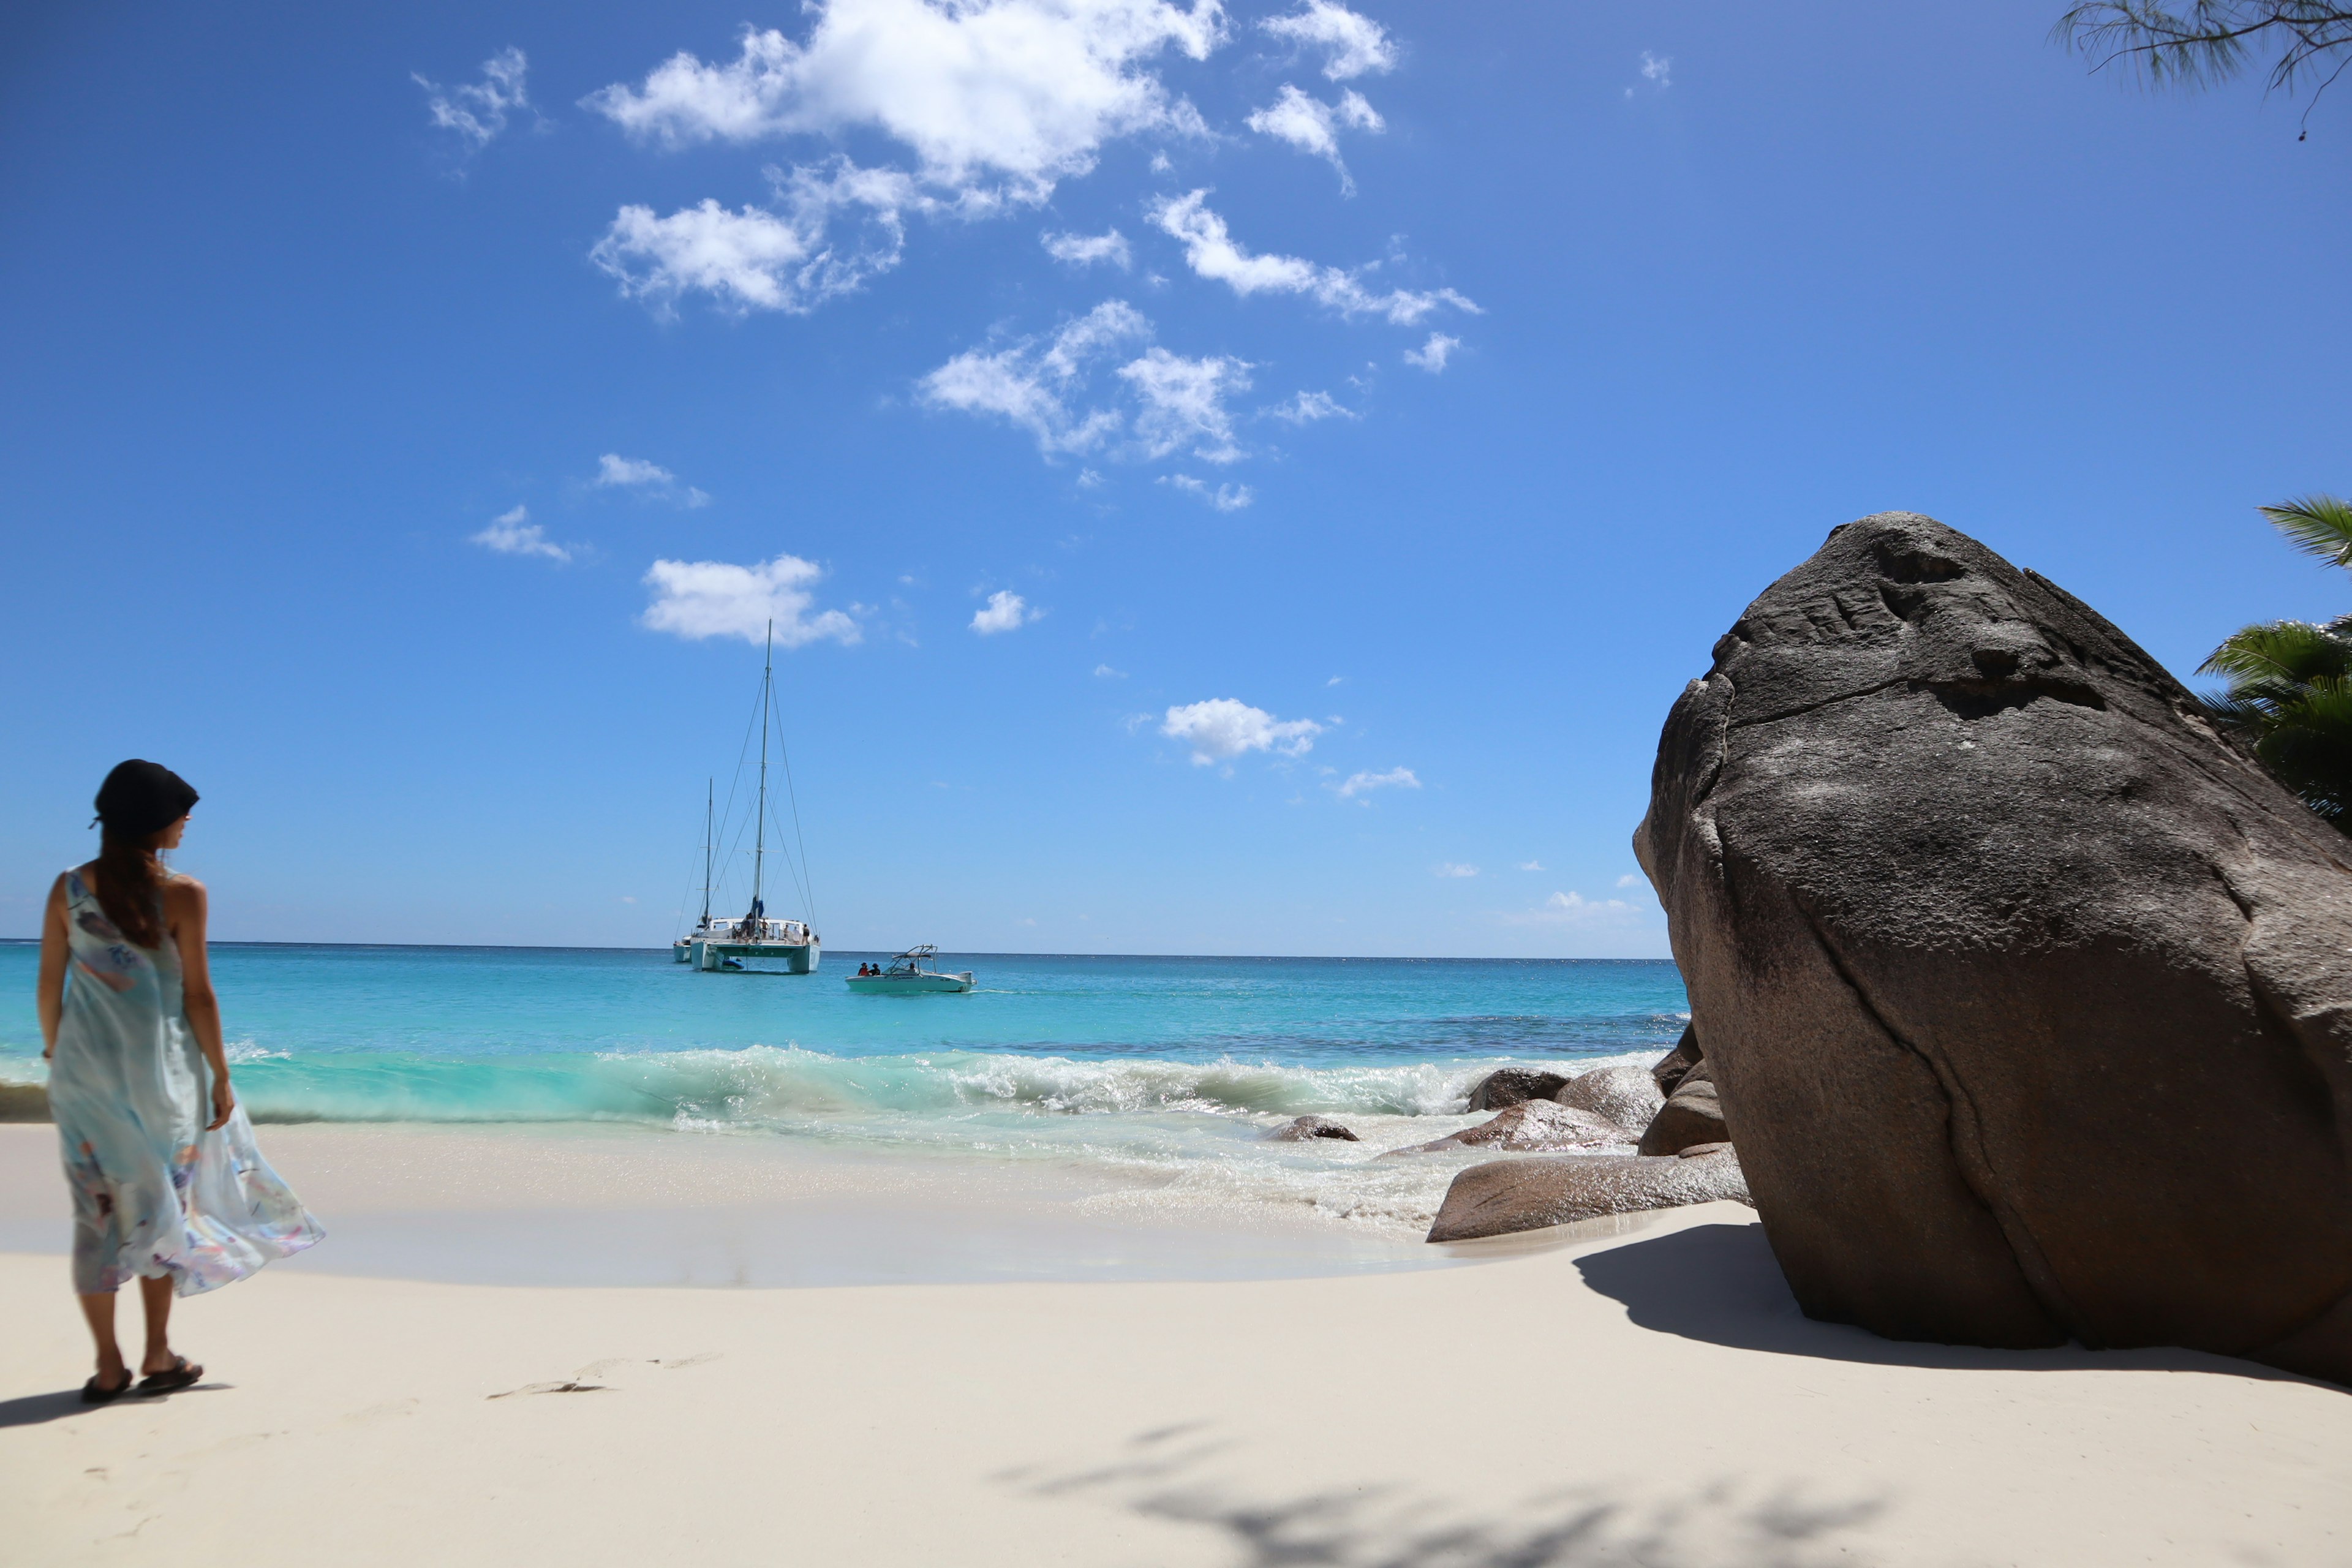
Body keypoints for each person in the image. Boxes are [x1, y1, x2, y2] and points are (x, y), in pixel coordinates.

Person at [37, 760, 323, 1403]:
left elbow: (49, 983)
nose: (187, 821)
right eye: (181, 811)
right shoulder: (184, 893)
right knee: (158, 1210)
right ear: (152, 820)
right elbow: (199, 996)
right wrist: (221, 1074)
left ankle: (109, 1367)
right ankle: (158, 1354)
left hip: (82, 1078)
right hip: (160, 1080)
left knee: (97, 1216)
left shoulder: (68, 889)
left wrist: (60, 1052)